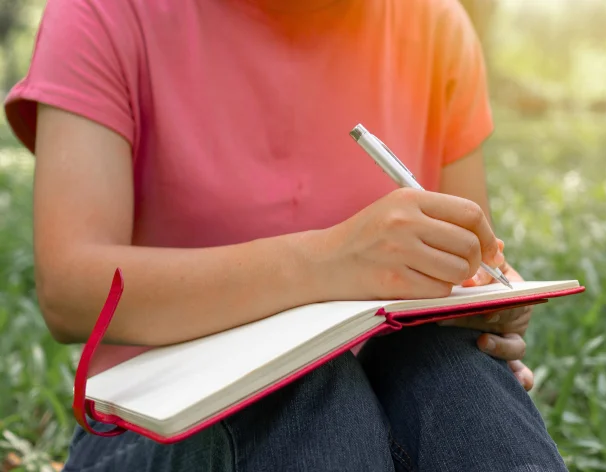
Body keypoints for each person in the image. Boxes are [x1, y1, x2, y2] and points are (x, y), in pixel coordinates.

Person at [4, 0, 568, 470]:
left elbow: (472, 254)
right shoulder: (104, 14)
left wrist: (489, 305)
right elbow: (70, 290)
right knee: (308, 390)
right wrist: (327, 262)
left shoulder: (434, 22)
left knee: (462, 380)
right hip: (161, 422)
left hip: (387, 388)